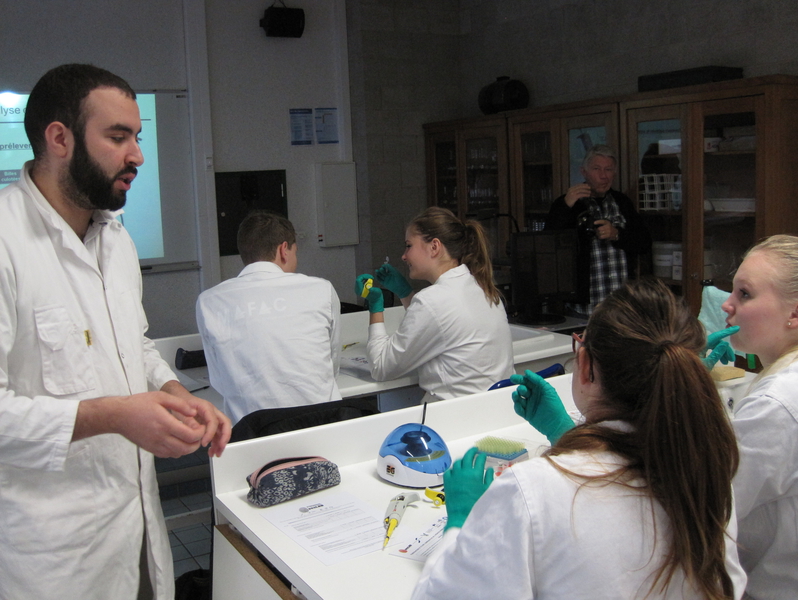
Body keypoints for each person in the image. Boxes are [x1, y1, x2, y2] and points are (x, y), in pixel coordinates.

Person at [0, 64, 231, 600]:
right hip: (55, 558)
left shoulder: (115, 238)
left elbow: (134, 344)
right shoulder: (7, 242)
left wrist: (172, 392)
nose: (138, 156)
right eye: (118, 137)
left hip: (138, 531)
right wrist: (114, 416)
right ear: (59, 138)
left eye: (139, 137)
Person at [412, 278, 745, 599]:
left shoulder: (531, 490)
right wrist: (564, 434)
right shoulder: (704, 472)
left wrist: (462, 522)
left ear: (584, 365)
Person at [196, 210, 342, 425]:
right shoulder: (321, 289)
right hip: (323, 424)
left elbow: (219, 380)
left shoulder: (209, 301)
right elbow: (332, 364)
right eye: (295, 252)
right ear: (284, 250)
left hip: (252, 434)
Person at [354, 206, 513, 401]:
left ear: (434, 247)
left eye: (409, 245)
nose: (404, 256)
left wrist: (375, 306)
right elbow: (437, 325)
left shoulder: (432, 300)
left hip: (453, 415)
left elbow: (381, 367)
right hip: (494, 409)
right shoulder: (482, 288)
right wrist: (406, 293)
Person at [721, 234, 798, 599]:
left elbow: (703, 504)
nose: (727, 304)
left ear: (795, 313)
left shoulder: (776, 405)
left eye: (744, 294)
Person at [545, 144, 651, 316]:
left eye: (608, 170)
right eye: (596, 169)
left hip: (621, 304)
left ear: (614, 173)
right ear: (584, 172)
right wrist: (565, 205)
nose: (603, 176)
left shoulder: (622, 202)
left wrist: (617, 234)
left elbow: (644, 242)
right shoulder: (568, 203)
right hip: (583, 306)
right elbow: (548, 244)